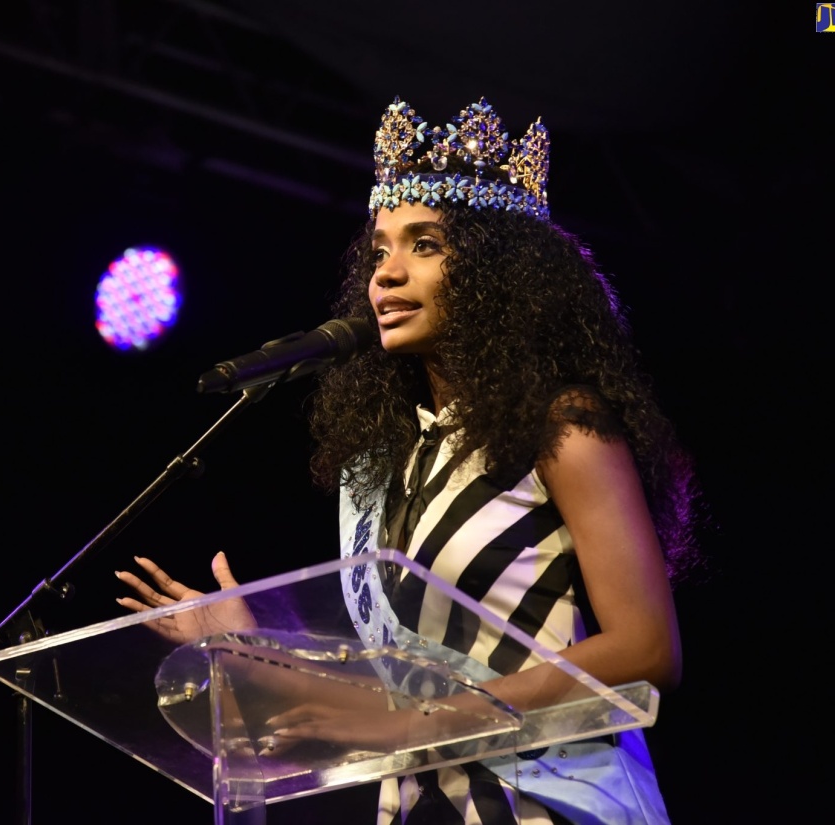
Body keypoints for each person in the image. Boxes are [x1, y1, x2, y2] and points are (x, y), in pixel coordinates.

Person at [116, 95, 704, 825]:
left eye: (424, 244)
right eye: (381, 249)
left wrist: (420, 724)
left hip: (549, 802)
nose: (386, 274)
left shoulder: (564, 426)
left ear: (501, 275)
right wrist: (253, 648)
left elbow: (648, 646)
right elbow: (401, 696)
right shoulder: (386, 469)